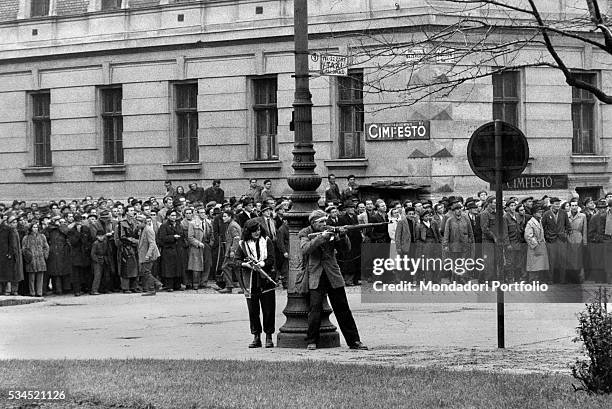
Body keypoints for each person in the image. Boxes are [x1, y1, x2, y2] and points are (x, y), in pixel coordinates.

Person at [298, 210, 368, 351]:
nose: (325, 224)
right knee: (315, 309)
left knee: (342, 308)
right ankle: (312, 341)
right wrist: (321, 238)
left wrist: (342, 236)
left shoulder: (331, 230)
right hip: (315, 274)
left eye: (325, 221)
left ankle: (354, 341)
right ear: (313, 223)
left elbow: (345, 249)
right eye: (321, 222)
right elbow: (305, 249)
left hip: (332, 274)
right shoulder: (304, 233)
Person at [235, 219, 277, 348]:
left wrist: (262, 263)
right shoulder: (243, 244)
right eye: (254, 231)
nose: (257, 233)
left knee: (269, 309)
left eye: (258, 230)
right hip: (251, 281)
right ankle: (256, 336)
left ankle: (269, 336)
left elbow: (272, 259)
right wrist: (246, 264)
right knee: (253, 310)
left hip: (266, 279)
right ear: (248, 232)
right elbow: (236, 261)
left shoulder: (267, 241)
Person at [442, 201, 474, 282]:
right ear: (453, 211)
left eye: (460, 209)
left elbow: (470, 231)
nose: (459, 210)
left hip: (465, 244)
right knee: (455, 262)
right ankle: (455, 278)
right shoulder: (450, 220)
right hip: (454, 244)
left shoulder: (466, 219)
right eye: (456, 209)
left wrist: (471, 241)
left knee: (464, 261)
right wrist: (445, 245)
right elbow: (446, 233)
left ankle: (463, 278)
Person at [542, 197, 570, 283]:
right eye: (556, 203)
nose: (558, 205)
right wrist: (547, 236)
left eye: (559, 203)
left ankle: (562, 279)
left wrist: (565, 234)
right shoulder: (546, 214)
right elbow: (543, 227)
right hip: (551, 240)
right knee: (551, 260)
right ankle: (550, 279)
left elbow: (568, 226)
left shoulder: (563, 213)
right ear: (551, 204)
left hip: (562, 240)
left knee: (563, 260)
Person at [158, 210, 186, 291]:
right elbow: (161, 238)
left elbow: (182, 234)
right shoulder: (164, 226)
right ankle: (169, 286)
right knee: (169, 268)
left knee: (178, 267)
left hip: (178, 249)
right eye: (172, 215)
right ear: (168, 216)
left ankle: (177, 284)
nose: (174, 217)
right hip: (168, 249)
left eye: (175, 215)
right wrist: (173, 237)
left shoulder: (178, 225)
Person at [21, 222, 49, 297]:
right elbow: (23, 249)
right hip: (31, 260)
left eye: (36, 227)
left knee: (40, 277)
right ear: (30, 228)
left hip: (40, 259)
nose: (35, 229)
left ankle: (39, 292)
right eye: (33, 227)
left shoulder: (42, 236)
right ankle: (32, 292)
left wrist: (44, 255)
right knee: (31, 278)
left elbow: (46, 247)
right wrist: (28, 256)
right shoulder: (26, 237)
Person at [116, 206, 140, 293]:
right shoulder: (122, 223)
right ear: (126, 212)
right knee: (126, 268)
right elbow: (122, 237)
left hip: (135, 247)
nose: (132, 212)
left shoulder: (135, 222)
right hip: (126, 247)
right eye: (130, 210)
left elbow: (137, 233)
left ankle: (134, 286)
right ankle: (125, 287)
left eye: (133, 210)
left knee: (136, 267)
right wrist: (133, 240)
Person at [217, 210, 242, 294]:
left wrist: (232, 251)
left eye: (225, 216)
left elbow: (236, 238)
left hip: (233, 251)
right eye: (223, 216)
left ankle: (229, 286)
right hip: (232, 251)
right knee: (235, 268)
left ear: (230, 217)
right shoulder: (231, 224)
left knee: (226, 267)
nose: (223, 218)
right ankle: (233, 286)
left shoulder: (232, 226)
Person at [187, 208, 212, 290]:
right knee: (196, 265)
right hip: (197, 246)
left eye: (204, 212)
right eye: (201, 213)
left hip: (206, 245)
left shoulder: (208, 222)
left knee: (207, 264)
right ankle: (195, 283)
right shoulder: (193, 223)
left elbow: (212, 235)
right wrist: (198, 243)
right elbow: (190, 237)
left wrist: (211, 243)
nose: (203, 214)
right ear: (197, 214)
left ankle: (204, 282)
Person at [137, 215, 161, 296]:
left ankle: (154, 286)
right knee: (146, 272)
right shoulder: (143, 230)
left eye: (138, 223)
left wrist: (148, 255)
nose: (137, 224)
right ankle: (154, 286)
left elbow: (152, 244)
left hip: (149, 254)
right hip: (145, 254)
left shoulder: (148, 230)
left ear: (143, 222)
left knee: (146, 272)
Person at [524, 204, 549, 282]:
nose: (541, 213)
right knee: (533, 264)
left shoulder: (539, 221)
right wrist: (535, 244)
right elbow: (528, 235)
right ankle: (532, 280)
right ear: (534, 213)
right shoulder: (530, 223)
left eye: (541, 212)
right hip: (535, 246)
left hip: (541, 245)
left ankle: (538, 279)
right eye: (539, 212)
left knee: (540, 264)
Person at [566, 198, 587, 284]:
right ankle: (570, 278)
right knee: (569, 259)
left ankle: (579, 278)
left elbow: (585, 230)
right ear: (570, 206)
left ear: (578, 206)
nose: (574, 207)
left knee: (578, 259)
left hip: (579, 238)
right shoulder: (566, 215)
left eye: (575, 205)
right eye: (572, 205)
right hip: (569, 238)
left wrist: (585, 241)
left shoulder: (582, 216)